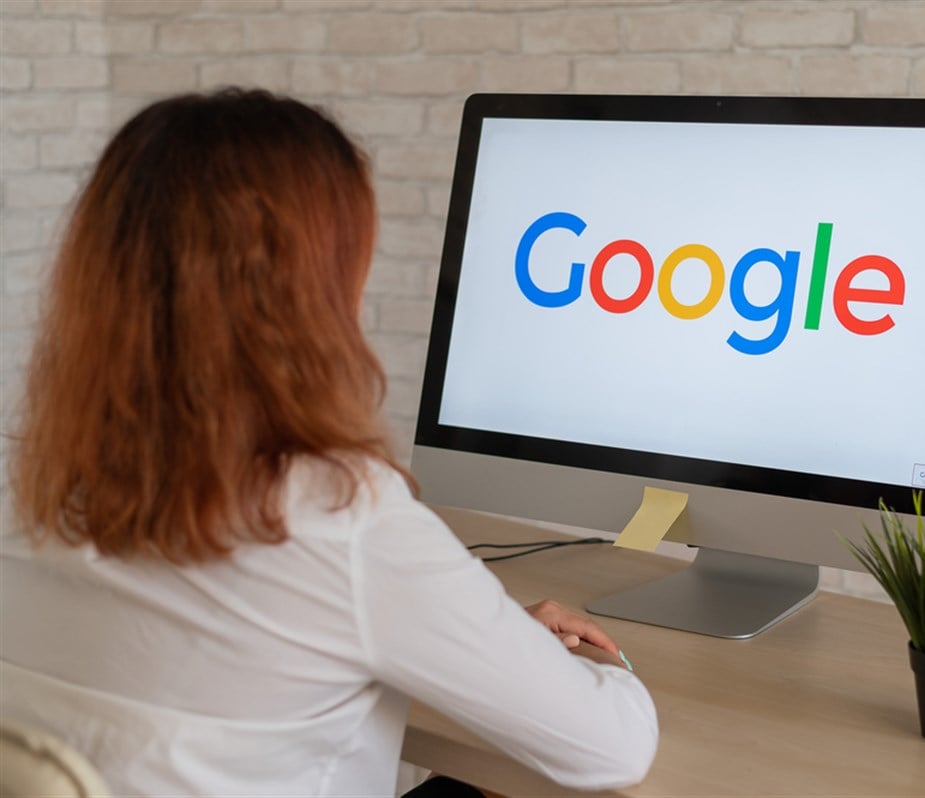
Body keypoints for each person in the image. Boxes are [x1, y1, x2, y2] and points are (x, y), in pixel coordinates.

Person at [0, 89, 658, 798]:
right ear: (307, 289)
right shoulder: (342, 517)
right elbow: (611, 750)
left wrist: (478, 641)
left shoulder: (28, 479)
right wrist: (593, 669)